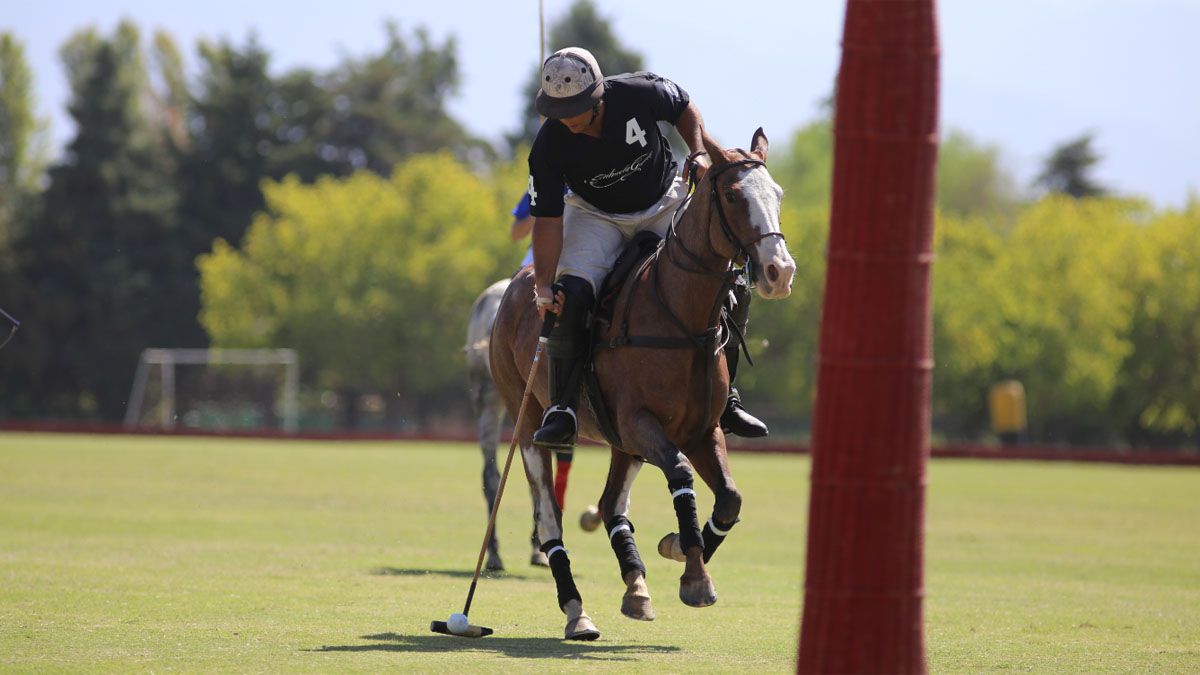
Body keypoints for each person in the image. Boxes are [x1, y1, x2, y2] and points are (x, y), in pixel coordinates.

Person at [526, 47, 767, 451]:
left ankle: (728, 398)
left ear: (598, 96)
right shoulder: (549, 144)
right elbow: (547, 220)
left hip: (663, 200)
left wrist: (698, 152)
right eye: (558, 110)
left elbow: (684, 107)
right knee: (575, 294)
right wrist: (544, 286)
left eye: (576, 109)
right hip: (595, 216)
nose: (566, 119)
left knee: (732, 280)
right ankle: (564, 408)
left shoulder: (639, 91)